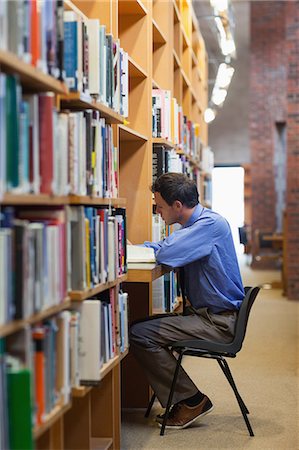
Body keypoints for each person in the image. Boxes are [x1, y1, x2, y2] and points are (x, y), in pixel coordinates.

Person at [129, 172, 245, 430]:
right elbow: (165, 246)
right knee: (142, 327)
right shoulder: (198, 226)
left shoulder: (209, 226)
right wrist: (143, 248)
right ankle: (184, 397)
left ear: (177, 206)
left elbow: (167, 251)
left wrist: (150, 249)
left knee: (140, 334)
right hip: (208, 315)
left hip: (218, 323)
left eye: (159, 206)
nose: (157, 212)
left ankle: (192, 400)